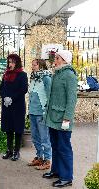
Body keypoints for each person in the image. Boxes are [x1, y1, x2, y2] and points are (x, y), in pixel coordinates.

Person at [42, 50, 77, 188]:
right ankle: (56, 171)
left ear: (64, 60)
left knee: (64, 148)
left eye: (57, 58)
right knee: (55, 146)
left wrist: (67, 118)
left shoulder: (69, 75)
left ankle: (67, 177)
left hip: (63, 119)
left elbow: (72, 99)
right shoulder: (57, 73)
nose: (54, 60)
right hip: (53, 117)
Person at [0, 54, 28, 161]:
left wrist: (12, 98)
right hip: (7, 105)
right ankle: (9, 150)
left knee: (18, 129)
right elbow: (1, 88)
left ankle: (17, 152)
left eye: (12, 62)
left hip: (17, 105)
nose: (10, 64)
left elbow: (23, 89)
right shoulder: (5, 74)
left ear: (17, 63)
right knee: (9, 128)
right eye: (9, 62)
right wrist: (4, 97)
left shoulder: (22, 75)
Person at [28, 59, 52, 170]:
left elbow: (50, 95)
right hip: (32, 112)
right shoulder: (33, 78)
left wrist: (46, 111)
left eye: (35, 65)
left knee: (44, 137)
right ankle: (39, 157)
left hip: (41, 112)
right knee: (35, 137)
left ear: (41, 66)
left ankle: (47, 160)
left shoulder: (46, 78)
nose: (32, 66)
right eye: (32, 65)